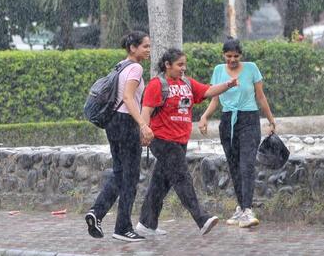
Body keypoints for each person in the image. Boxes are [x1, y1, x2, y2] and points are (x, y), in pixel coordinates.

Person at [135, 48, 238, 237]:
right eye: (179, 65)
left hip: (180, 140)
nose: (183, 68)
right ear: (167, 65)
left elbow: (207, 90)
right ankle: (201, 218)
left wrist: (228, 85)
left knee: (161, 182)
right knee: (182, 177)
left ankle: (146, 224)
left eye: (185, 64)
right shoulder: (157, 84)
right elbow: (146, 110)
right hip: (162, 139)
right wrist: (144, 129)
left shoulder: (187, 83)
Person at [198, 37, 276, 228]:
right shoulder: (218, 71)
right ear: (223, 55)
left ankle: (248, 209)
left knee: (246, 164)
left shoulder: (251, 68)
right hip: (227, 121)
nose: (232, 60)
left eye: (236, 56)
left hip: (249, 119)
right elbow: (215, 100)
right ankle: (240, 207)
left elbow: (260, 96)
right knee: (233, 166)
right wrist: (204, 117)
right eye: (228, 56)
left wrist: (271, 119)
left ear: (241, 55)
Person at [85, 31, 154, 242]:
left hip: (112, 123)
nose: (148, 50)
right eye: (145, 46)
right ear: (133, 48)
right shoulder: (135, 67)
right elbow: (127, 97)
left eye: (149, 46)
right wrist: (143, 125)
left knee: (119, 172)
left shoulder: (120, 65)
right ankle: (123, 228)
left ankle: (97, 212)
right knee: (130, 177)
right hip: (126, 123)